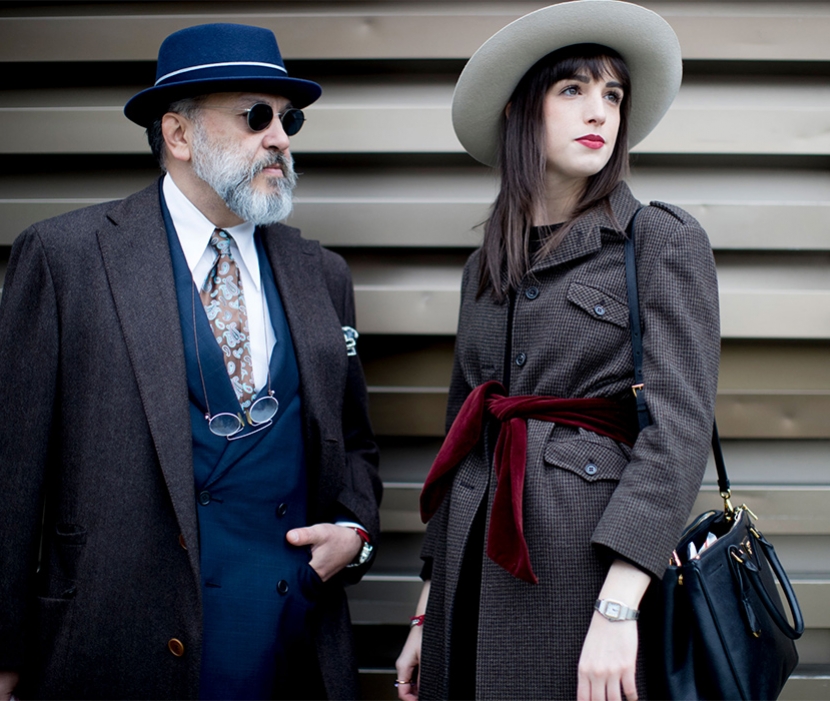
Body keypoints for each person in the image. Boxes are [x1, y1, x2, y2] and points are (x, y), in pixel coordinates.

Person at [0, 23, 381, 701]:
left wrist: (355, 532)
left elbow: (353, 441)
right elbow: (11, 469)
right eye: (255, 116)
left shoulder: (322, 273)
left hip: (289, 642)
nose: (280, 138)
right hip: (118, 644)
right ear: (178, 135)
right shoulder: (65, 258)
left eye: (288, 119)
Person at [394, 2, 720, 699]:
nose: (599, 111)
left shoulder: (659, 241)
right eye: (573, 89)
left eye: (613, 95)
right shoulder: (484, 267)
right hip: (469, 568)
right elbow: (460, 437)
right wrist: (427, 605)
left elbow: (678, 435)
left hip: (587, 577)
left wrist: (618, 606)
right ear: (519, 111)